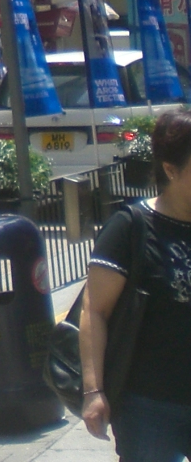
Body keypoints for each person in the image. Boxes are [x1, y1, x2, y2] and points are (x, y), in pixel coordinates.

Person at [80, 108, 191, 460]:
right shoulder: (131, 227)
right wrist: (93, 390)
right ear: (171, 170)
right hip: (149, 406)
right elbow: (94, 311)